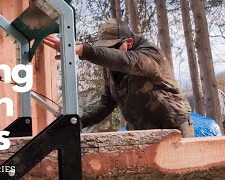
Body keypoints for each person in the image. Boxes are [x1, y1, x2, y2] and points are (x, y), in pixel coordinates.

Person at [43, 19, 194, 138]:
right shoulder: (110, 66)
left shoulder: (151, 55)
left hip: (173, 127)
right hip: (139, 131)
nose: (109, 53)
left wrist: (83, 50)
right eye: (105, 49)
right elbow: (108, 103)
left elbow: (129, 61)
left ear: (129, 42)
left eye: (114, 47)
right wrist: (80, 122)